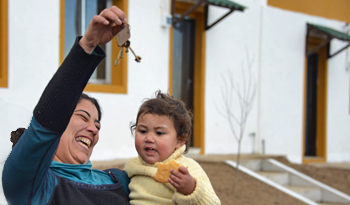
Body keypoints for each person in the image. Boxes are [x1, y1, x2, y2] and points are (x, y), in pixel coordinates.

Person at [2, 6, 130, 205]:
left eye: (97, 124)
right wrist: (87, 46)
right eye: (83, 116)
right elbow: (45, 126)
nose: (93, 128)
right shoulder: (31, 186)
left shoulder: (117, 179)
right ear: (61, 121)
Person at [124, 91, 221, 205]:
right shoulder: (132, 166)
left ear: (179, 140)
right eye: (143, 131)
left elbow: (214, 203)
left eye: (159, 133)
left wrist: (191, 189)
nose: (149, 138)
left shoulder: (187, 169)